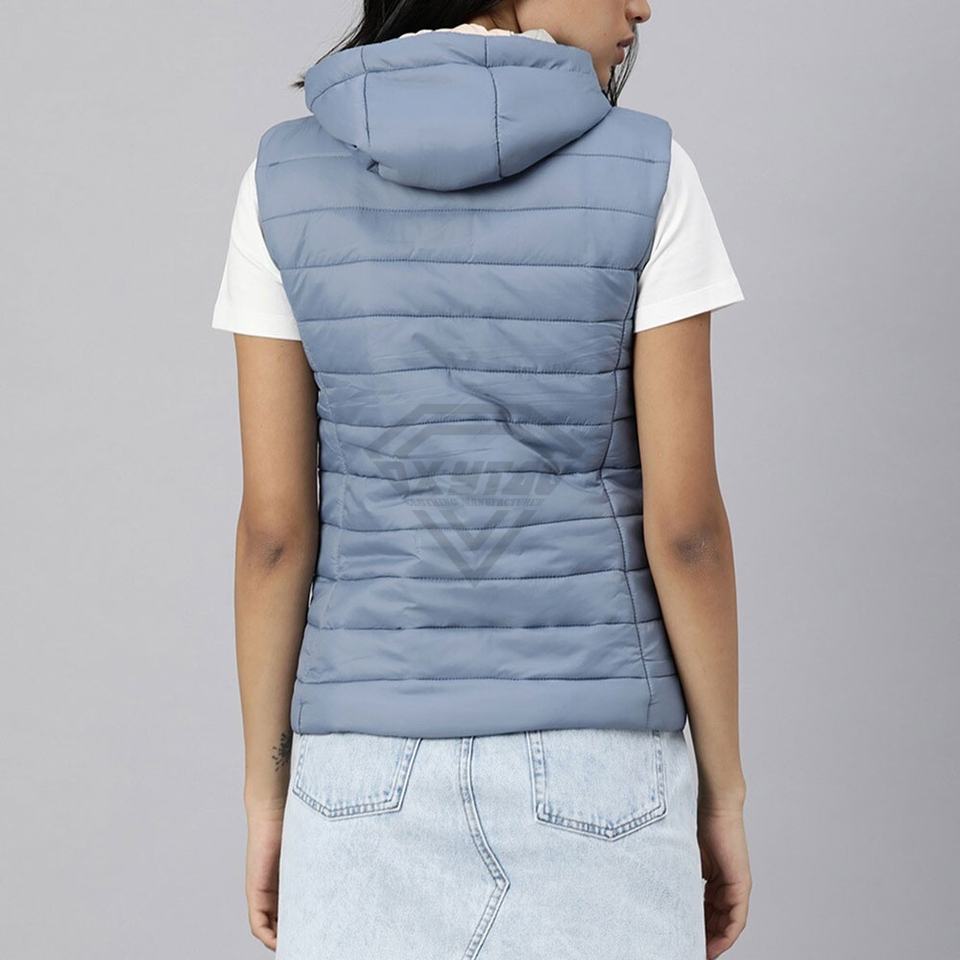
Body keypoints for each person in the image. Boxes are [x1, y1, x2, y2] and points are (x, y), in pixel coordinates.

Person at [212, 2, 752, 957]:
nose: (642, 5)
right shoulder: (652, 169)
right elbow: (687, 534)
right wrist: (723, 793)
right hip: (601, 770)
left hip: (357, 771)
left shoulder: (281, 180)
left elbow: (274, 536)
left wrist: (267, 795)